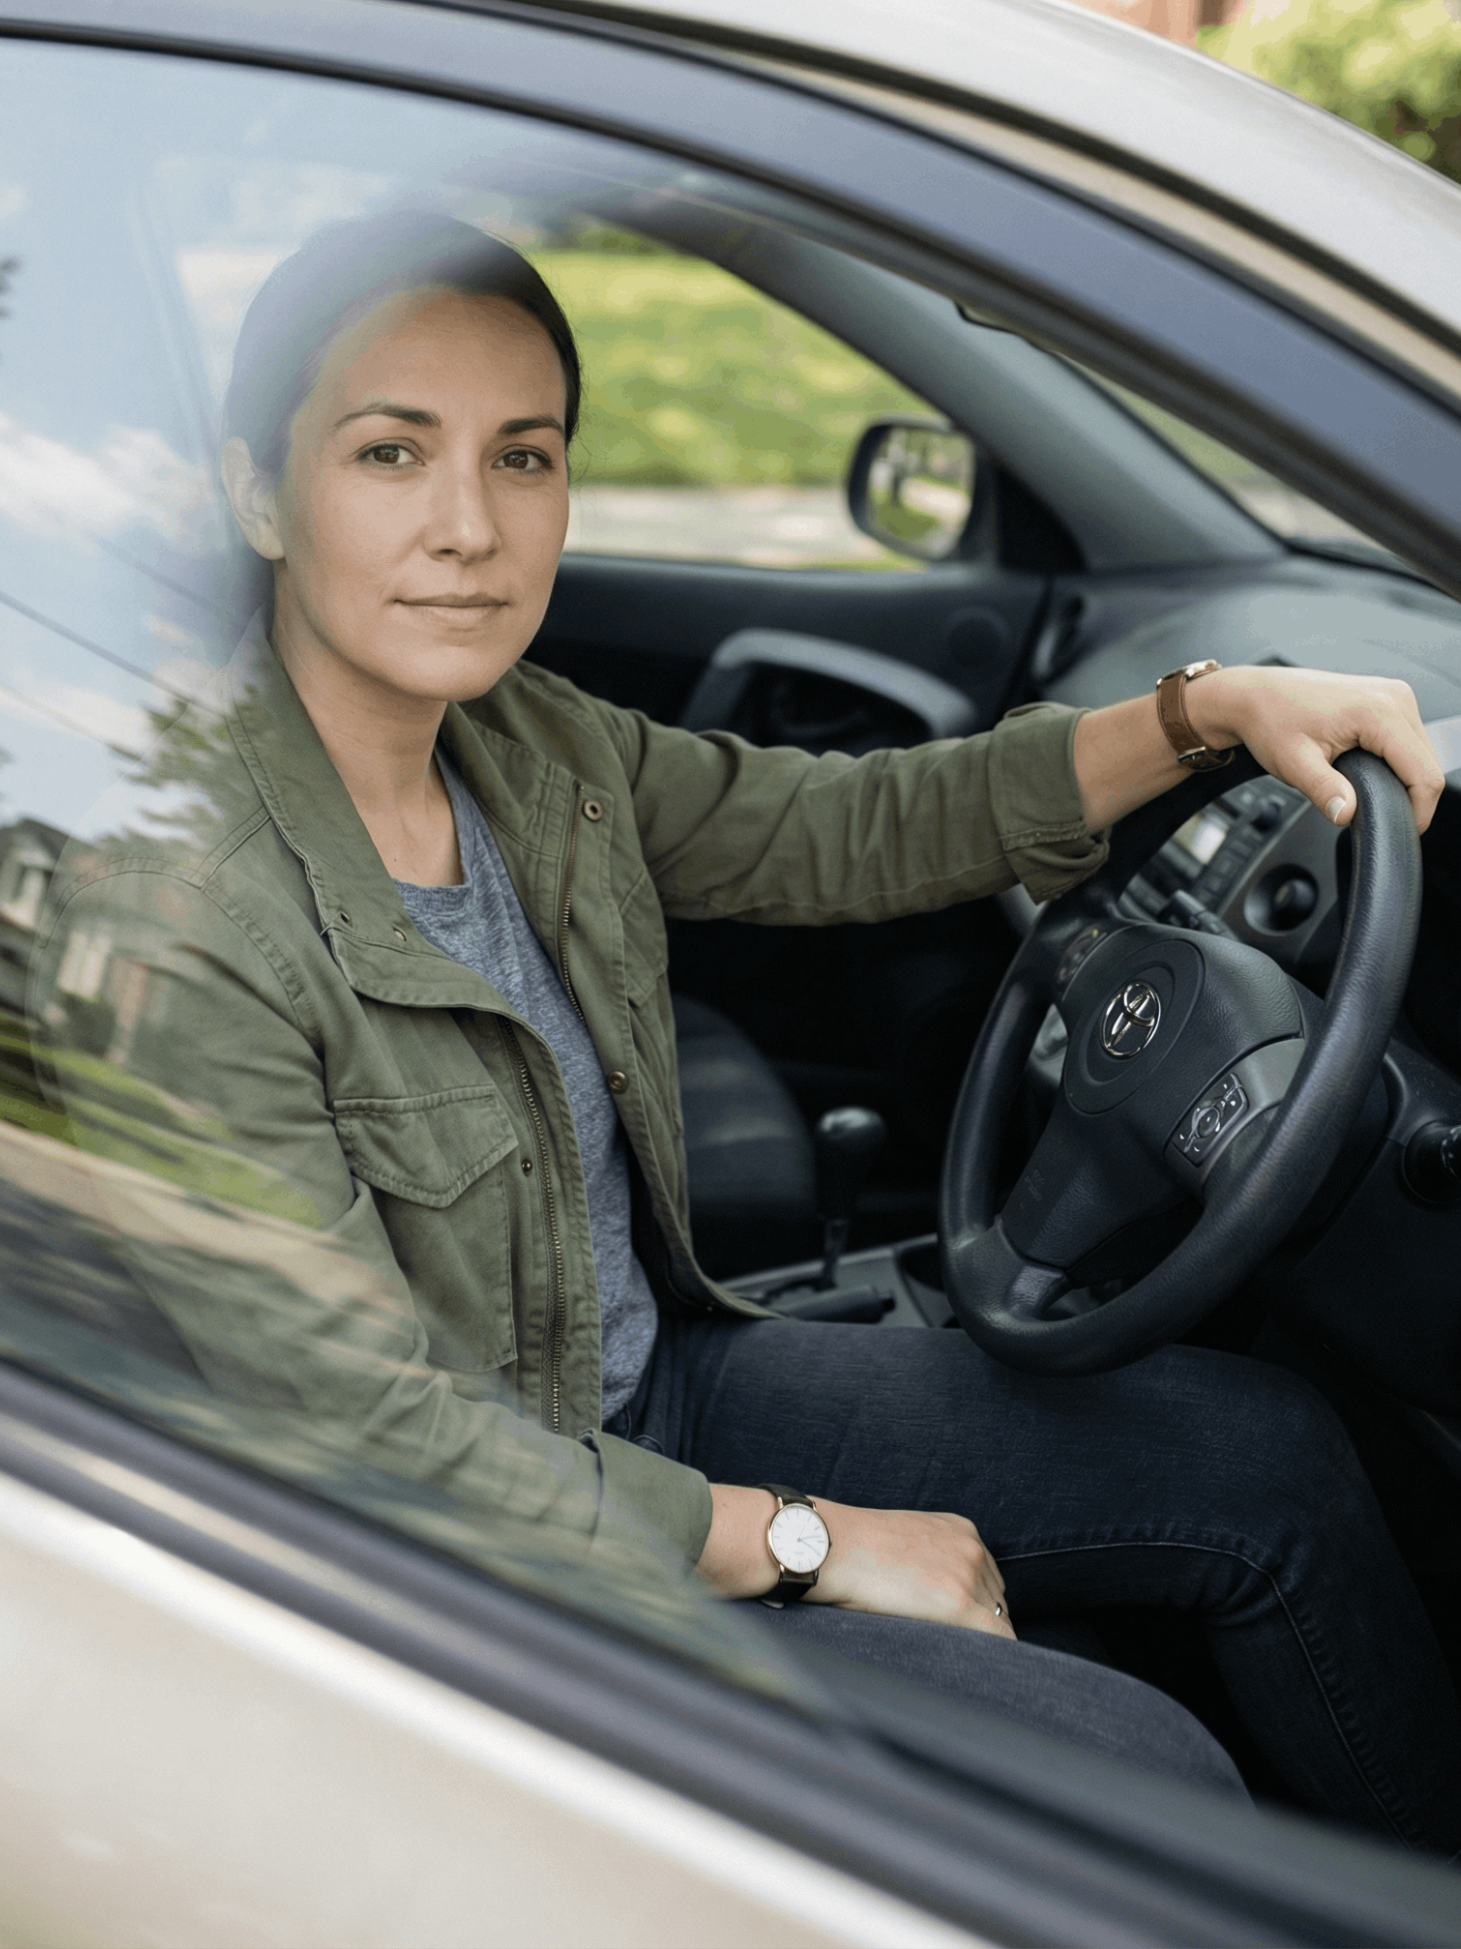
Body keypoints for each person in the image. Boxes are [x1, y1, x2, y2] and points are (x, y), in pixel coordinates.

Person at [36, 213, 1461, 1847]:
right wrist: (807, 1540)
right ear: (258, 495)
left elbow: (844, 829)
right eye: (388, 451)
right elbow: (384, 1444)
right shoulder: (186, 913)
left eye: (523, 457)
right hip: (486, 1569)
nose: (468, 528)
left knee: (1263, 1457)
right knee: (1139, 1784)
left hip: (650, 1384)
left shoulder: (517, 741)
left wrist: (1206, 713)